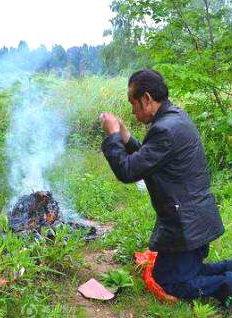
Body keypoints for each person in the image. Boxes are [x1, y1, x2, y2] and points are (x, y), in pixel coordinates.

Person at [99, 69, 232, 306]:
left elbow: (128, 171)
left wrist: (112, 137)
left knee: (170, 282)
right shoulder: (175, 118)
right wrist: (126, 138)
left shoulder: (165, 129)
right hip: (195, 219)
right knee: (186, 273)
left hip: (187, 226)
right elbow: (149, 158)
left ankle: (227, 286)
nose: (132, 110)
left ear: (147, 99)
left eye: (133, 103)